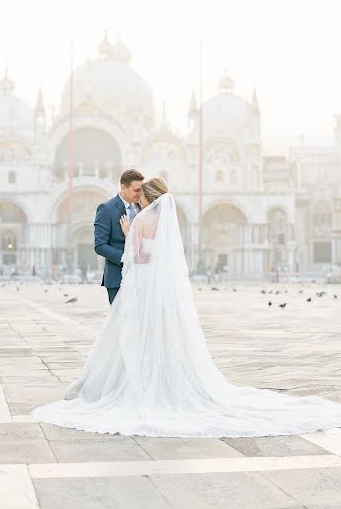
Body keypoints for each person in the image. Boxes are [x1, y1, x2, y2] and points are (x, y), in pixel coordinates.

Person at [32, 178, 341, 438]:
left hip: (140, 293)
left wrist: (129, 236)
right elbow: (157, 260)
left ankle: (135, 384)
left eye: (142, 194)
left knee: (133, 340)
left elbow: (138, 260)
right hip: (162, 295)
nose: (138, 198)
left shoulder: (140, 221)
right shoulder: (166, 223)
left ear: (148, 198)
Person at [93, 168, 144, 305]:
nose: (140, 194)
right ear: (123, 187)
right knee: (120, 324)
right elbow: (100, 245)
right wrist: (127, 258)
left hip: (142, 277)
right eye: (136, 190)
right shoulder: (106, 209)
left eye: (141, 189)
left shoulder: (143, 208)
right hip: (117, 278)